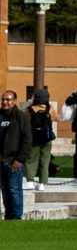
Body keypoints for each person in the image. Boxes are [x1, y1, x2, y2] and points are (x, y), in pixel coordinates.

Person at [0, 91, 26, 221]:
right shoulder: (0, 116)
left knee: (14, 189)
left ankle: (16, 217)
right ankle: (8, 215)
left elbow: (27, 140)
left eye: (8, 99)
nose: (5, 102)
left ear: (15, 101)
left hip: (14, 160)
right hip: (1, 160)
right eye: (3, 99)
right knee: (5, 189)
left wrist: (19, 159)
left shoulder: (21, 116)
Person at [23, 89, 55, 191]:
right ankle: (42, 184)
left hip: (33, 139)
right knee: (45, 161)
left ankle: (29, 182)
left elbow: (23, 122)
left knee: (30, 160)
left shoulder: (28, 110)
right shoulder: (50, 109)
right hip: (46, 139)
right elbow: (57, 118)